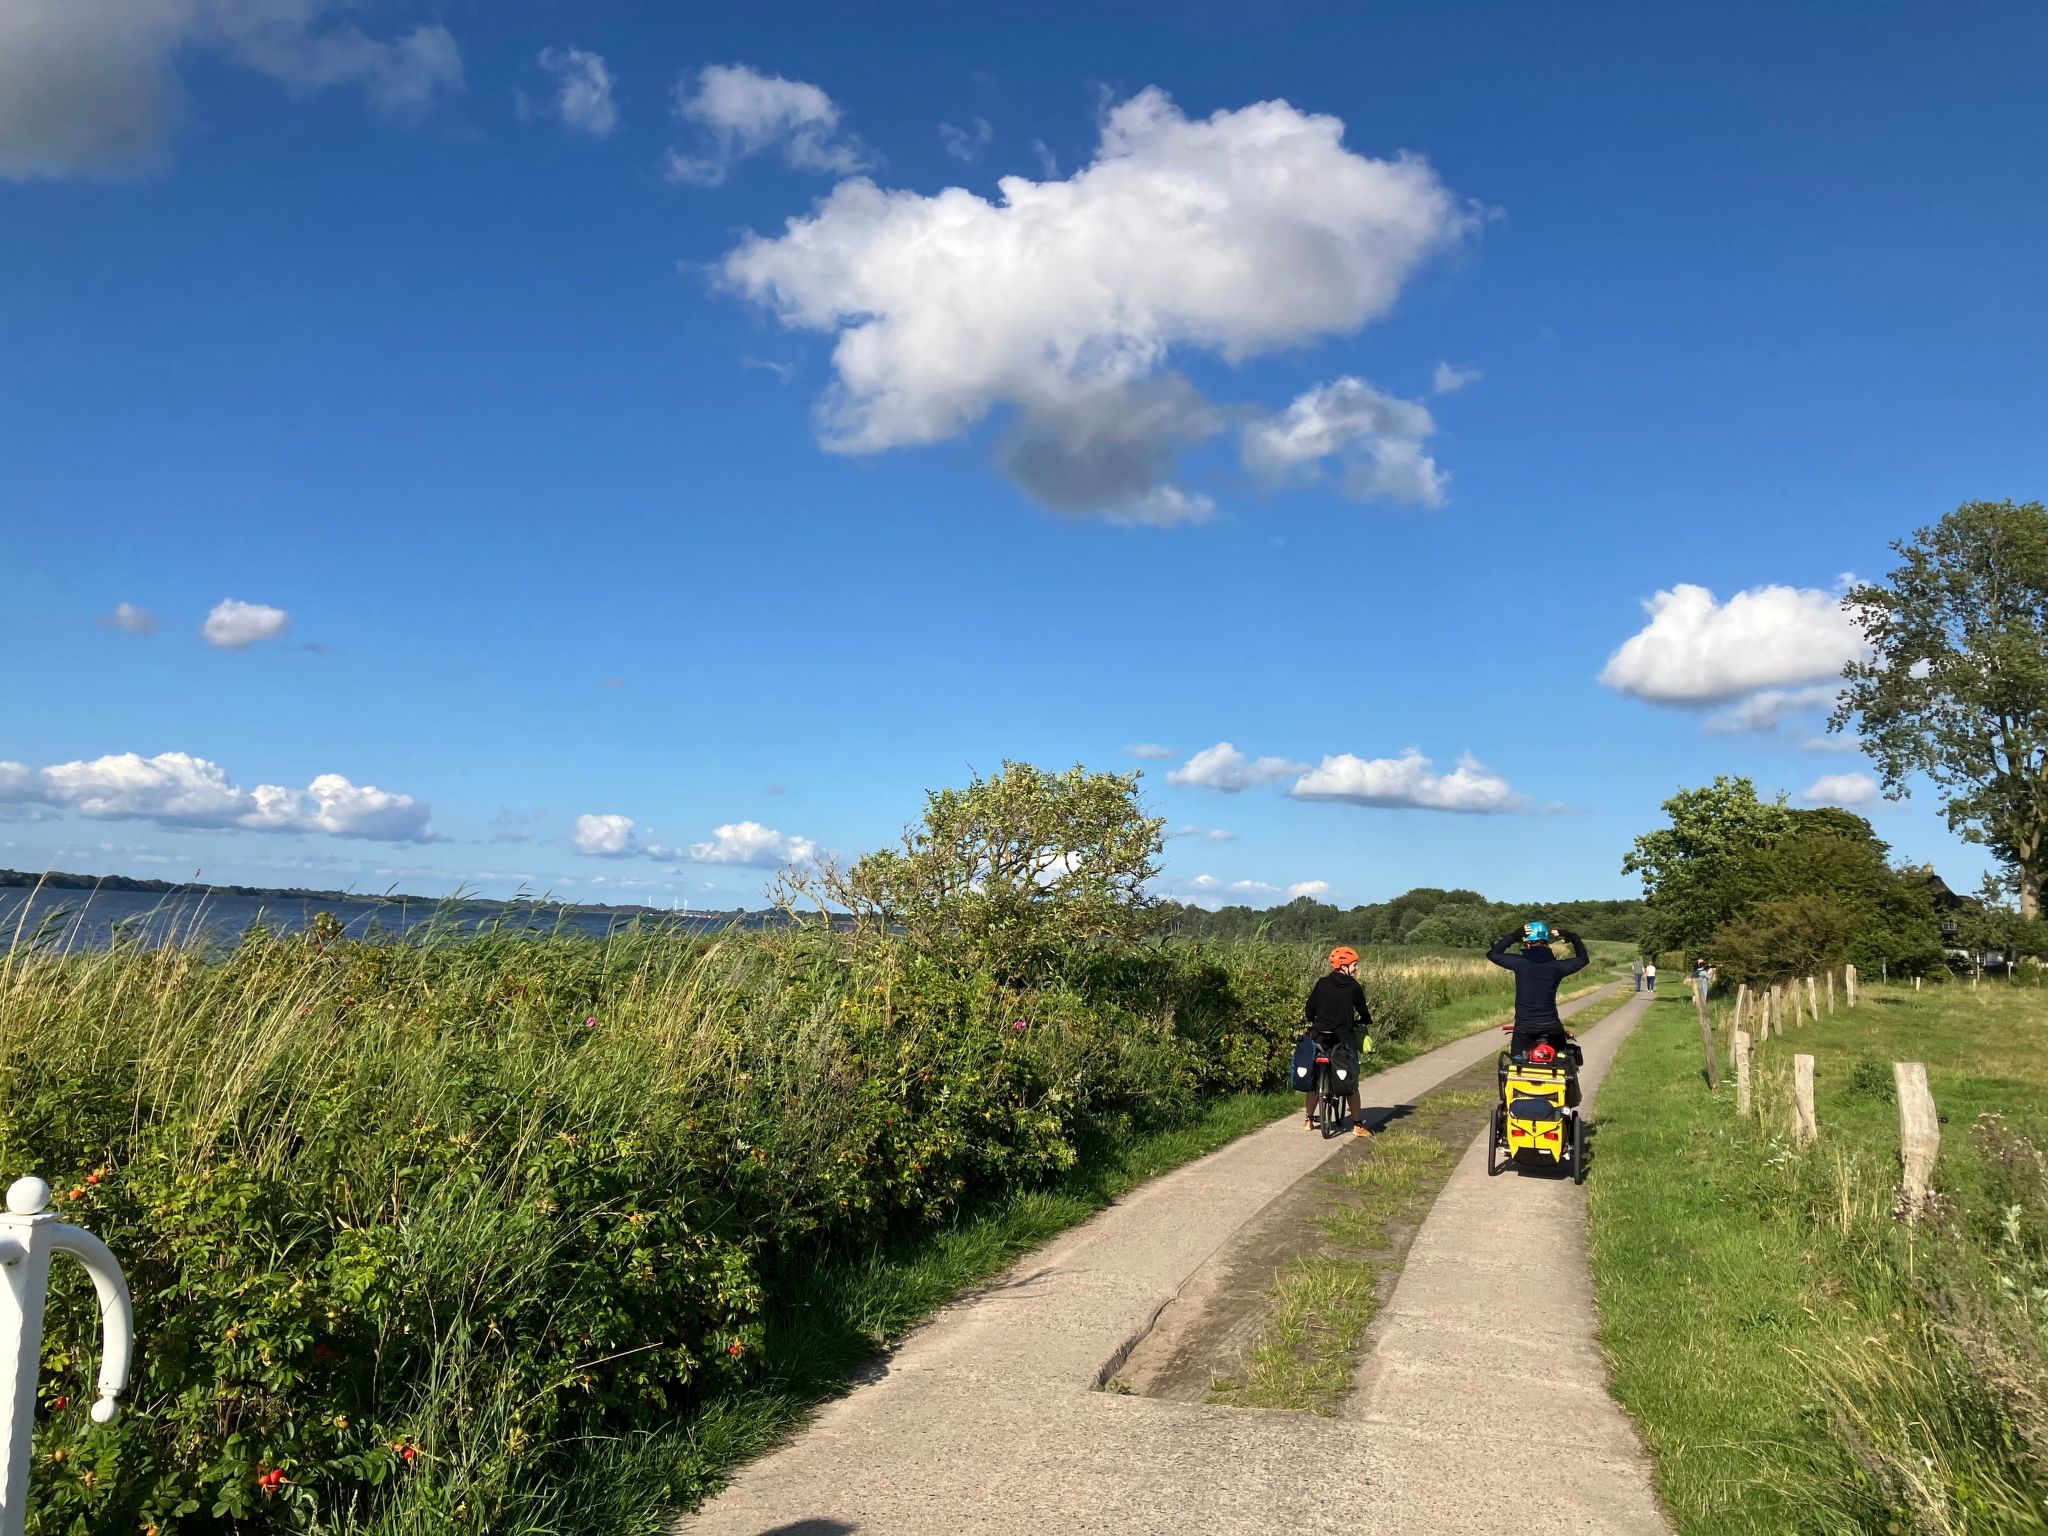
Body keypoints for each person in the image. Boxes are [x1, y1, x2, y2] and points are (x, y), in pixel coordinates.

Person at [1302, 945, 1376, 1137]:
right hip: (1343, 1039)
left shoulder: (1321, 983)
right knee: (1351, 1081)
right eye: (1354, 965)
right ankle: (1358, 1125)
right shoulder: (1353, 987)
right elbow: (1363, 1012)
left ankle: (1309, 1120)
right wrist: (1366, 1019)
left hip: (1319, 1036)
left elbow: (1309, 1011)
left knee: (1314, 1080)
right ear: (1344, 966)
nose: (1356, 969)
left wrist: (1318, 1019)